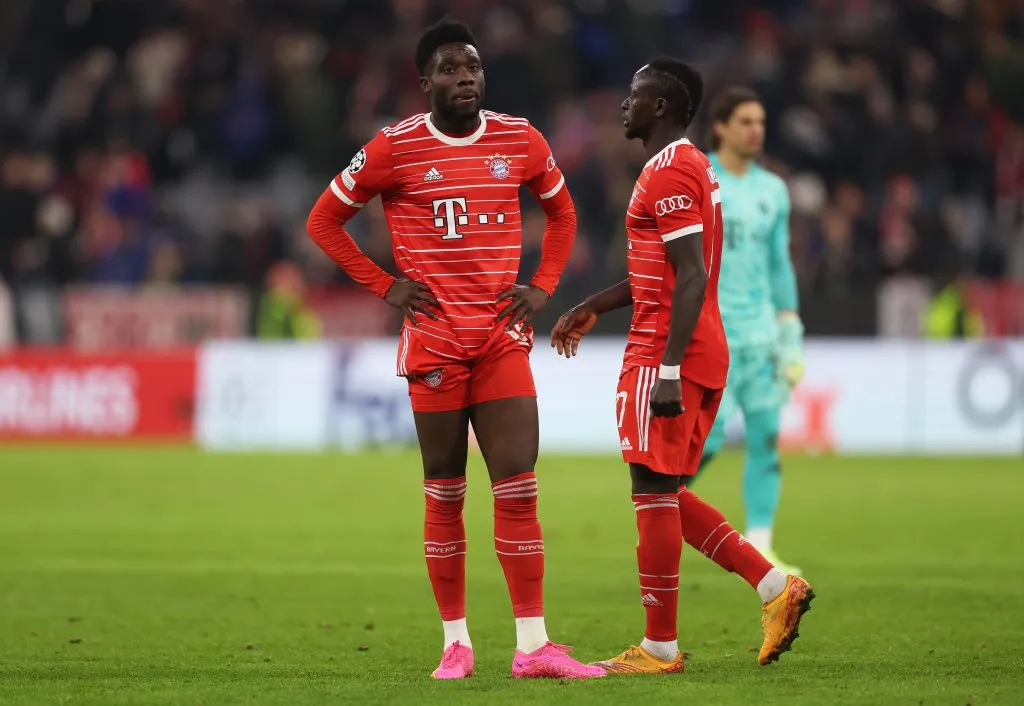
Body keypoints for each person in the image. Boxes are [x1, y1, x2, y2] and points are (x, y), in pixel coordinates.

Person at [305, 19, 604, 681]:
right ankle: (456, 644)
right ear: (425, 82)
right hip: (436, 343)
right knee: (444, 492)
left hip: (501, 339)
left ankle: (533, 646)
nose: (464, 78)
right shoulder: (393, 148)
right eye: (449, 69)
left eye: (472, 67)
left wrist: (544, 286)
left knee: (519, 488)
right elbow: (323, 220)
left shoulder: (520, 138)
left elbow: (564, 214)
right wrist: (384, 285)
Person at [551, 59, 813, 674]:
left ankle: (659, 647)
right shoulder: (692, 166)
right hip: (699, 345)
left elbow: (692, 274)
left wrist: (667, 367)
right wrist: (594, 304)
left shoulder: (669, 171)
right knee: (665, 490)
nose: (624, 105)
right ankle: (775, 587)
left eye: (634, 95)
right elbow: (667, 271)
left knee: (650, 490)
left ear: (661, 107)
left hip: (670, 349)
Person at [680, 87, 805, 574]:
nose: (757, 130)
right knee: (705, 442)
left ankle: (761, 542)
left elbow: (779, 264)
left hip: (760, 335)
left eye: (761, 122)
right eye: (746, 121)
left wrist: (789, 327)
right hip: (712, 330)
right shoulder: (698, 175)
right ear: (721, 127)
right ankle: (664, 506)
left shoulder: (773, 190)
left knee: (767, 434)